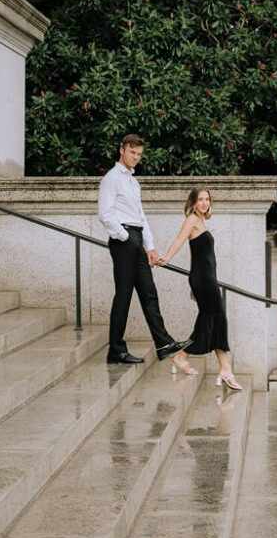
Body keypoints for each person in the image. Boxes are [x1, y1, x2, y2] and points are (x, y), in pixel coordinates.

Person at [98, 133, 191, 366]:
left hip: (137, 238)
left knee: (149, 292)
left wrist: (149, 246)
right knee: (124, 296)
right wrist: (126, 237)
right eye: (132, 153)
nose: (135, 158)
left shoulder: (133, 181)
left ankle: (163, 343)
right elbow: (105, 214)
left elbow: (141, 217)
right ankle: (116, 351)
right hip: (124, 241)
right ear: (122, 150)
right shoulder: (111, 178)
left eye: (139, 155)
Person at [158, 188, 242, 391]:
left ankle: (222, 368)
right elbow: (179, 240)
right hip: (203, 279)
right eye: (200, 199)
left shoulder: (201, 221)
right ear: (193, 203)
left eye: (207, 199)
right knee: (216, 318)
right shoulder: (192, 220)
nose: (204, 203)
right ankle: (213, 365)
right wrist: (166, 258)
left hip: (208, 278)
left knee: (213, 320)